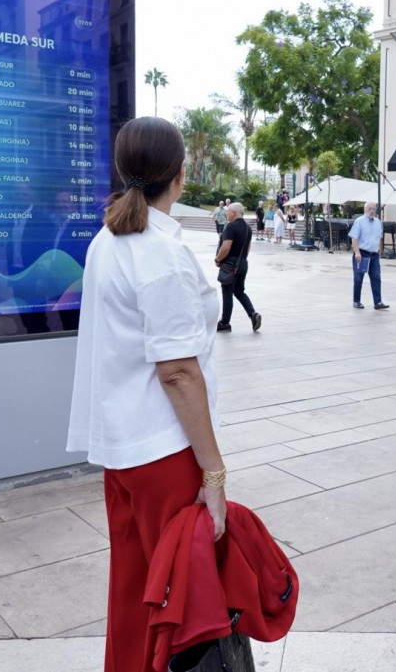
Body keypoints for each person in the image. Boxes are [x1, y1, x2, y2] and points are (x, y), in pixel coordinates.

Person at [66, 116, 229, 672]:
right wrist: (214, 472)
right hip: (165, 449)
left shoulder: (108, 240)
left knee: (134, 589)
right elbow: (178, 372)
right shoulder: (158, 252)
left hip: (124, 449)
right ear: (180, 175)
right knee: (178, 602)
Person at [215, 203, 262, 333]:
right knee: (239, 291)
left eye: (228, 212)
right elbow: (248, 247)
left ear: (234, 213)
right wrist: (241, 261)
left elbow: (226, 247)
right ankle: (253, 313)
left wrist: (218, 259)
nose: (226, 214)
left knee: (227, 292)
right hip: (242, 263)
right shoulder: (248, 228)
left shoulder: (230, 227)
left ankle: (225, 322)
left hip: (230, 265)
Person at [349, 201, 388, 310]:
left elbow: (379, 237)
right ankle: (356, 301)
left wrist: (379, 248)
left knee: (376, 277)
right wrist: (357, 252)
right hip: (363, 254)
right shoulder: (359, 221)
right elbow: (354, 238)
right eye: (369, 209)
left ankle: (378, 302)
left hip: (374, 254)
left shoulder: (377, 222)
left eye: (373, 209)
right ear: (365, 210)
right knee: (359, 277)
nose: (372, 211)